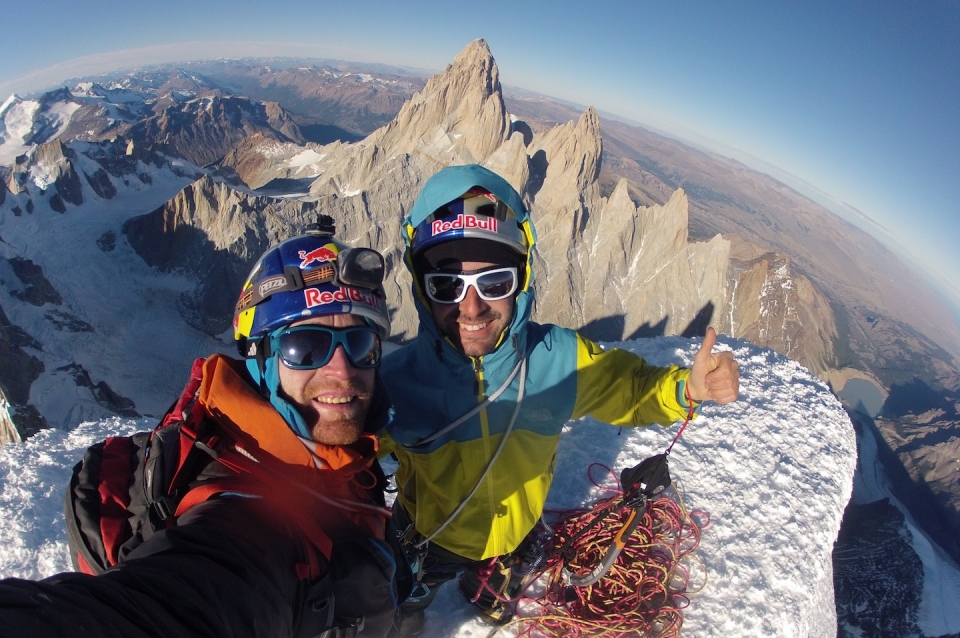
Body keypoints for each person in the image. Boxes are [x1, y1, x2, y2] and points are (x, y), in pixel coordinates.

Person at [378, 164, 740, 634]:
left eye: (494, 283)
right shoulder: (393, 383)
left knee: (484, 593)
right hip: (428, 539)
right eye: (446, 285)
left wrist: (686, 389)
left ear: (521, 280)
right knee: (405, 601)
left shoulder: (558, 359)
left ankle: (492, 574)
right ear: (422, 291)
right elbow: (334, 457)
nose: (471, 308)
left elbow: (626, 387)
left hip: (514, 529)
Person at [0, 230, 409, 637]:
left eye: (360, 344)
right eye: (306, 347)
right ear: (260, 358)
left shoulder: (340, 457)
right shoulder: (245, 515)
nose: (342, 371)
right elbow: (185, 598)